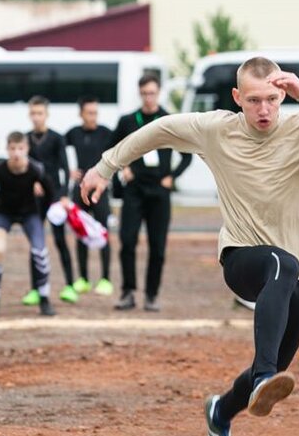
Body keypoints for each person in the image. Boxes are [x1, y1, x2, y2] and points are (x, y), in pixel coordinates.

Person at [81, 57, 299, 436]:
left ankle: (221, 411)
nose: (264, 109)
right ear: (237, 98)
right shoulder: (217, 130)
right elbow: (159, 130)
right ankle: (263, 375)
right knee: (278, 268)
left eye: (272, 98)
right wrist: (104, 167)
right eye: (253, 100)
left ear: (284, 94)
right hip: (243, 257)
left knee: (275, 356)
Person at [109, 74, 193, 311]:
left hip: (159, 191)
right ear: (139, 93)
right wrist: (123, 167)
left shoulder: (169, 121)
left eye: (152, 93)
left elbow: (187, 155)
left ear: (159, 93)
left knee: (157, 246)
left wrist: (172, 177)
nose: (148, 98)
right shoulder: (128, 121)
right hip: (134, 190)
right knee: (127, 241)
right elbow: (111, 148)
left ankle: (151, 295)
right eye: (144, 93)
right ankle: (127, 292)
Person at [0, 131, 57, 318]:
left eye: (20, 148)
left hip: (29, 214)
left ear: (27, 149)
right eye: (12, 149)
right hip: (3, 213)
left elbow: (50, 192)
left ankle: (44, 299)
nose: (16, 153)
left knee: (40, 252)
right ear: (7, 149)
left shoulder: (36, 169)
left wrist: (42, 215)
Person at [23, 96, 78, 305]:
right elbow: (24, 168)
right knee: (36, 244)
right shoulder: (26, 139)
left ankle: (70, 285)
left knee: (60, 240)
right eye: (33, 113)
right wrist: (31, 183)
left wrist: (64, 195)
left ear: (46, 114)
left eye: (40, 113)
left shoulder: (56, 138)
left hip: (54, 196)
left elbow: (65, 169)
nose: (36, 117)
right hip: (34, 199)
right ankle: (35, 288)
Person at [64, 97, 116, 296]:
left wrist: (110, 175)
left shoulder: (106, 133)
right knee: (81, 233)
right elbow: (58, 150)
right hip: (79, 189)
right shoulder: (73, 133)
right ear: (81, 114)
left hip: (99, 191)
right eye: (89, 113)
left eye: (96, 112)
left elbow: (120, 152)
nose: (93, 116)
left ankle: (105, 279)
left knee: (103, 233)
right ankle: (83, 278)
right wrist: (69, 171)